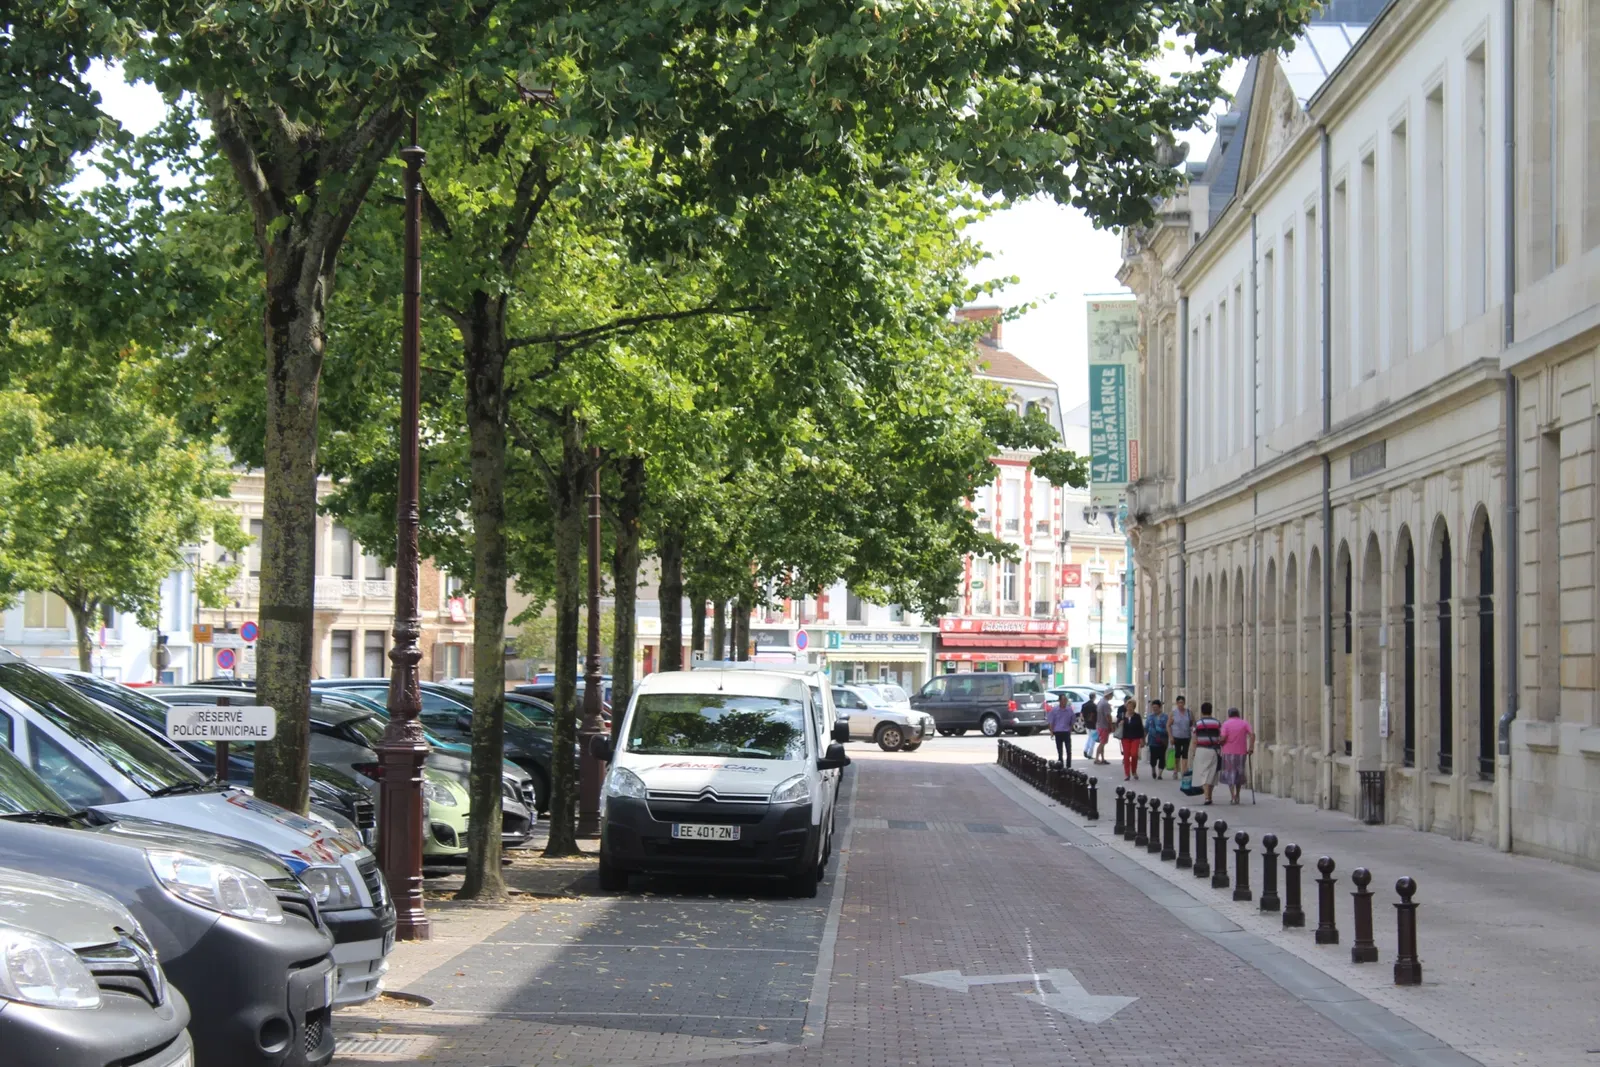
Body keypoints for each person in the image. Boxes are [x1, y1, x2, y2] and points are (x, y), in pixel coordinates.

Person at [1218, 706, 1255, 804]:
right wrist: (1251, 747)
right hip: (1241, 752)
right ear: (1238, 714)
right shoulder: (1244, 723)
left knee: (1230, 773)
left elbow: (1223, 737)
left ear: (1229, 714)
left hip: (1228, 752)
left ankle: (1232, 796)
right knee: (1239, 773)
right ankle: (1238, 794)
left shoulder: (1225, 724)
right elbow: (1252, 734)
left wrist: (1219, 742)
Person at [1190, 701, 1224, 804]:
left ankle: (1206, 797)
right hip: (1214, 750)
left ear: (1202, 711)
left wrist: (1194, 752)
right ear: (1211, 710)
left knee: (1203, 773)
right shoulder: (1217, 723)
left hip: (1201, 749)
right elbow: (1221, 737)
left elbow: (1194, 739)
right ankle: (1210, 796)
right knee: (1212, 773)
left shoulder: (1198, 724)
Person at [1118, 698, 1145, 781]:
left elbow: (1141, 728)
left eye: (1131, 706)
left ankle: (1134, 771)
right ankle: (1127, 774)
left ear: (1134, 707)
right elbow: (1117, 725)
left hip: (1135, 737)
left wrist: (1142, 739)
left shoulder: (1137, 716)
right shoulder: (1123, 715)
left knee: (1134, 754)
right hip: (1125, 738)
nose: (1129, 708)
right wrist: (1120, 723)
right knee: (1126, 756)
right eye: (1128, 706)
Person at [1047, 694, 1076, 767]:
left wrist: (1070, 728)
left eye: (1066, 700)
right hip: (1058, 732)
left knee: (1068, 750)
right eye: (1063, 700)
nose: (1065, 701)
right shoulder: (1054, 710)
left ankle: (1068, 765)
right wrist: (1051, 732)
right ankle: (1060, 764)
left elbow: (1073, 720)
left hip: (1066, 732)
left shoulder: (1069, 710)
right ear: (1059, 701)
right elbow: (1051, 721)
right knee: (1060, 750)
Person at [1168, 696, 1192, 775]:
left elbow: (1193, 724)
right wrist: (1170, 736)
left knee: (1185, 754)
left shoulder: (1189, 712)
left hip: (1186, 736)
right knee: (1177, 754)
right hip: (1176, 736)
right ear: (1177, 703)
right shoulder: (1173, 713)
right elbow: (1168, 725)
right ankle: (1176, 769)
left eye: (1182, 702)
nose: (1181, 704)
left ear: (1184, 703)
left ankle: (1184, 770)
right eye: (1179, 703)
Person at [1145, 699, 1169, 780]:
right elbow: (1146, 728)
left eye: (1156, 707)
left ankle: (1160, 774)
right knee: (1153, 757)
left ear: (1160, 707)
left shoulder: (1165, 717)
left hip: (1163, 740)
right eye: (1153, 707)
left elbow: (1168, 728)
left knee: (1162, 757)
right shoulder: (1150, 717)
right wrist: (1143, 738)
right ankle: (1153, 770)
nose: (1154, 709)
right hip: (1152, 741)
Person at [1093, 691, 1113, 764]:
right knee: (1102, 743)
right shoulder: (1105, 704)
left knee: (1103, 743)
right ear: (1109, 695)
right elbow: (1108, 716)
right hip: (1104, 725)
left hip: (1099, 725)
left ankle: (1102, 758)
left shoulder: (1100, 702)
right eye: (1112, 695)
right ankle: (1097, 758)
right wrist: (1110, 725)